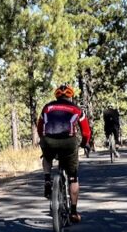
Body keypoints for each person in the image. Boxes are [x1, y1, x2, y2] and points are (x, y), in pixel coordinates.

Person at [37, 84, 92, 223]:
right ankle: (73, 212)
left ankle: (47, 179)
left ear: (56, 96)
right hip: (68, 142)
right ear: (70, 96)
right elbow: (85, 132)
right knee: (73, 177)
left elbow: (39, 127)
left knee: (47, 156)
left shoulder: (47, 107)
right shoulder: (76, 109)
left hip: (48, 140)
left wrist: (44, 140)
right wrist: (85, 143)